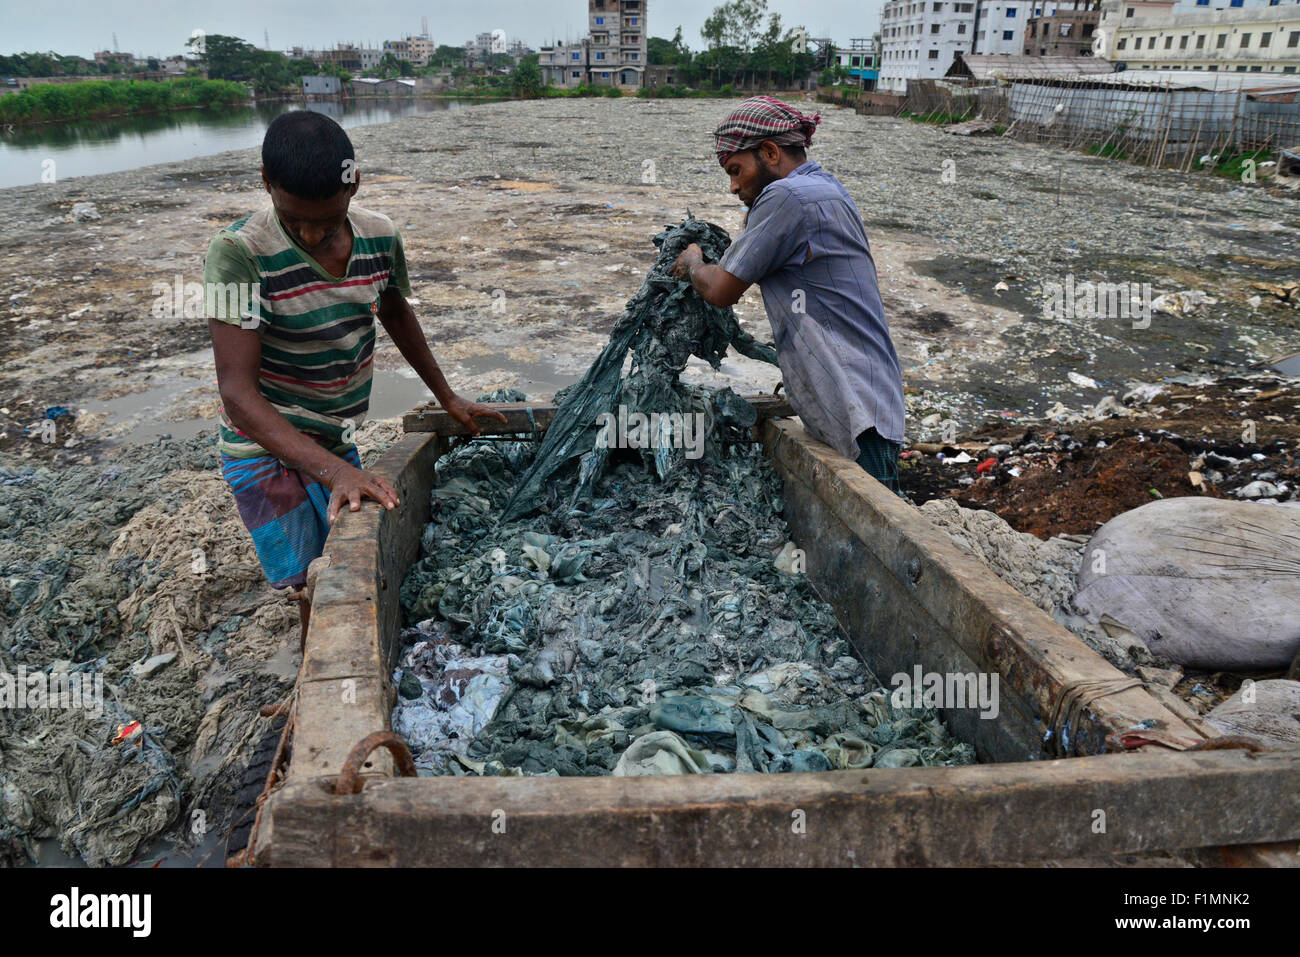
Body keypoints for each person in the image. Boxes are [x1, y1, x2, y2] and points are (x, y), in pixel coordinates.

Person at [205, 111, 505, 627]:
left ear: (354, 185)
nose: (310, 233)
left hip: (336, 437)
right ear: (265, 183)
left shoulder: (379, 236)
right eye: (294, 218)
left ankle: (313, 686)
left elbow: (395, 312)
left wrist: (448, 396)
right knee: (311, 583)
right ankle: (309, 693)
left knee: (346, 569)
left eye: (324, 219)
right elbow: (237, 393)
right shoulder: (239, 252)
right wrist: (336, 471)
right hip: (264, 446)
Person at [672, 95, 906, 494]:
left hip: (858, 410)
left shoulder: (786, 198)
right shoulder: (824, 188)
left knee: (876, 528)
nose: (732, 187)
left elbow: (722, 289)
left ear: (769, 151)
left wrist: (693, 261)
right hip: (868, 399)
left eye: (735, 170)